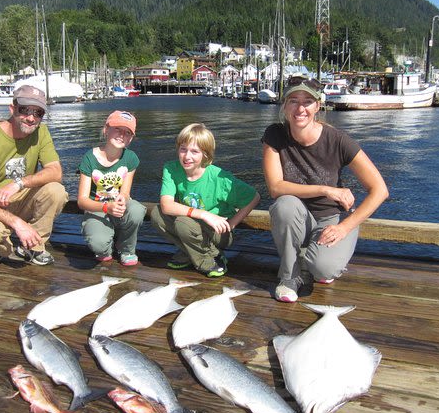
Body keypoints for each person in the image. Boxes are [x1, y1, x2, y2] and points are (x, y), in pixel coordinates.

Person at [262, 78, 388, 302]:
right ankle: (290, 276)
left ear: (317, 106)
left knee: (323, 269)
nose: (300, 109)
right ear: (284, 106)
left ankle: (314, 259)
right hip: (298, 217)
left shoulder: (338, 141)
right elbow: (275, 187)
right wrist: (326, 189)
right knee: (284, 205)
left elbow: (379, 190)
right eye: (293, 101)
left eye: (308, 101)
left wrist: (344, 228)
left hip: (332, 219)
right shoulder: (275, 135)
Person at [0, 85, 68, 266]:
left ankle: (34, 247)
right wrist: (18, 223)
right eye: (24, 110)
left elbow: (56, 172)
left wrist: (20, 183)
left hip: (21, 196)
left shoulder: (41, 132)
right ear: (12, 108)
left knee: (56, 191)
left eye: (38, 113)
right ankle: (1, 248)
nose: (31, 118)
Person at [151, 123, 260, 277]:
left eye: (194, 151)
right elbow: (166, 205)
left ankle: (208, 260)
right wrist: (204, 214)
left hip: (218, 232)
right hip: (192, 224)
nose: (187, 156)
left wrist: (232, 224)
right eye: (183, 149)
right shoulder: (171, 169)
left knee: (183, 223)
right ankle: (191, 252)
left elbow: (254, 197)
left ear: (206, 155)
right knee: (157, 214)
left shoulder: (219, 178)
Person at [77, 110, 146, 266]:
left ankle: (126, 249)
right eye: (117, 129)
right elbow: (82, 201)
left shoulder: (131, 158)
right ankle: (106, 245)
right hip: (97, 207)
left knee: (137, 210)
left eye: (127, 132)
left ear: (131, 139)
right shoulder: (89, 158)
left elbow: (125, 192)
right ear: (106, 129)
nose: (122, 135)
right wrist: (107, 207)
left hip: (117, 206)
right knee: (99, 246)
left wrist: (123, 199)